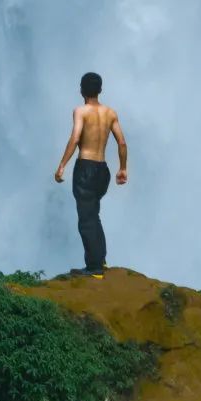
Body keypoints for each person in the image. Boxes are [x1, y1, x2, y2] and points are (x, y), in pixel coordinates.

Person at [53, 71, 128, 277]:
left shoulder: (81, 111)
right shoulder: (110, 113)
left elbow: (75, 138)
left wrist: (62, 165)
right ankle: (101, 260)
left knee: (86, 219)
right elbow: (122, 142)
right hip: (102, 170)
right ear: (100, 90)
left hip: (85, 167)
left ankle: (94, 268)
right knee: (93, 214)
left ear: (81, 90)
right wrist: (122, 168)